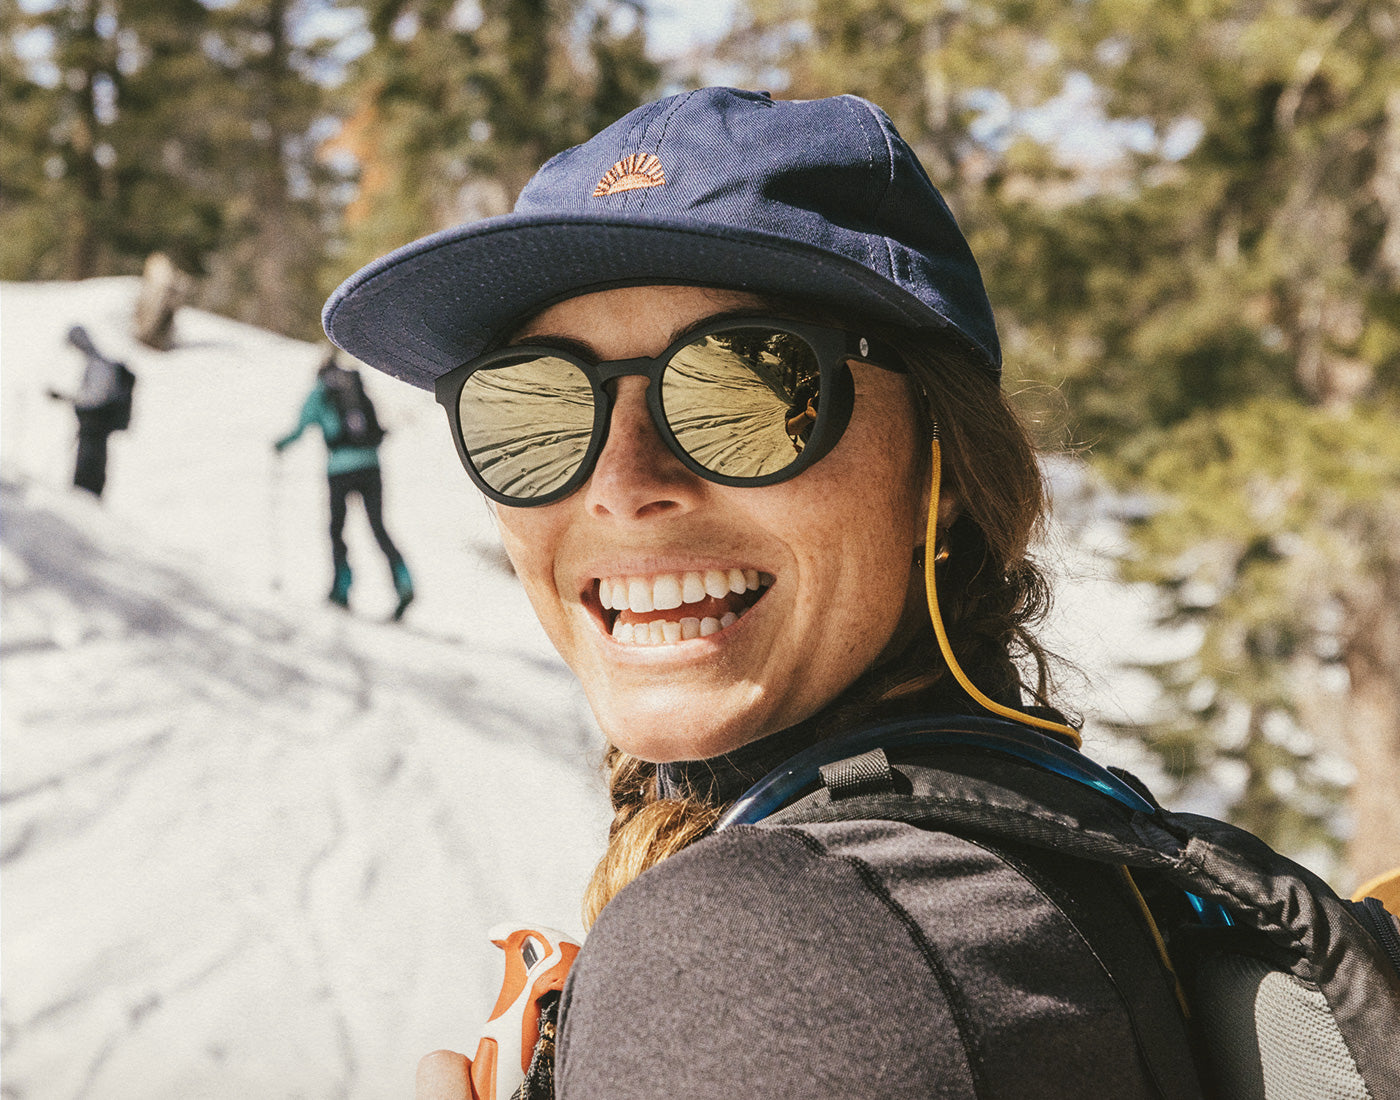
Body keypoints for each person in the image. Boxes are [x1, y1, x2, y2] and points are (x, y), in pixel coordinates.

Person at [322, 89, 1394, 1098]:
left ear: (940, 468)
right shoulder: (1045, 839)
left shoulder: (760, 953)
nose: (620, 485)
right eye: (533, 410)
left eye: (745, 385)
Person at [274, 350, 414, 618]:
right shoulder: (355, 386)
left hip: (339, 469)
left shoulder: (320, 391)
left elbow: (300, 428)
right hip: (371, 465)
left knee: (337, 529)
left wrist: (280, 445)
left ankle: (341, 588)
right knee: (378, 527)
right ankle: (404, 582)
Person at [47, 324, 137, 498]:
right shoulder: (96, 364)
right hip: (94, 424)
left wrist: (67, 398)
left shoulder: (99, 366)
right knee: (92, 459)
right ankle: (86, 492)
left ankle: (87, 494)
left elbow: (95, 397)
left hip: (95, 424)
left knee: (90, 462)